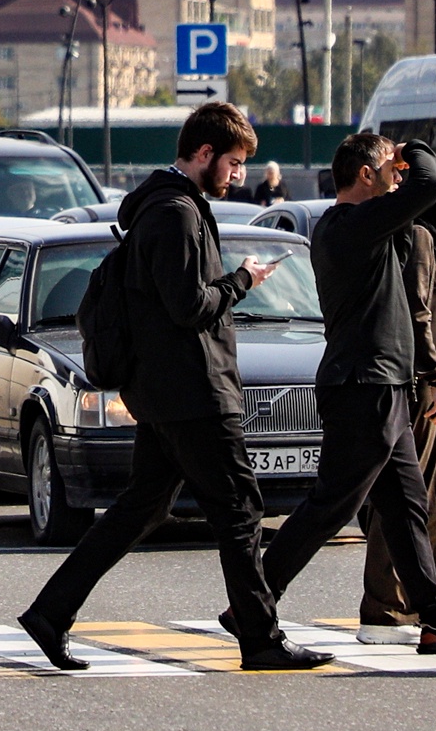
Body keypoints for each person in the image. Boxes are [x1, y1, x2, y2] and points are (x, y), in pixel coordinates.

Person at [17, 103, 329, 672]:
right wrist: (243, 280)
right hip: (193, 390)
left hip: (167, 391)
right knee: (238, 508)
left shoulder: (161, 209)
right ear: (204, 154)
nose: (239, 176)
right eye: (233, 163)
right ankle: (260, 640)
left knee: (142, 507)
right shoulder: (176, 214)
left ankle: (50, 613)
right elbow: (189, 308)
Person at [256, 134, 436, 655]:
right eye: (388, 167)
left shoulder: (371, 228)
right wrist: (413, 148)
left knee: (408, 506)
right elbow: (431, 184)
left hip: (381, 383)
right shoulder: (349, 225)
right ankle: (253, 603)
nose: (397, 174)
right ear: (365, 175)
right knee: (330, 506)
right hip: (363, 386)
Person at [358, 170, 436, 643]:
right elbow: (418, 313)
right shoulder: (419, 241)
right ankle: (387, 610)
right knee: (403, 503)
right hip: (420, 390)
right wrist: (433, 382)